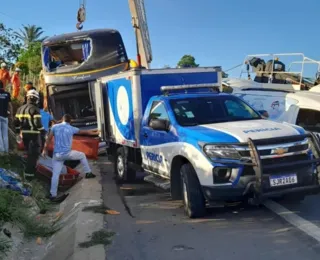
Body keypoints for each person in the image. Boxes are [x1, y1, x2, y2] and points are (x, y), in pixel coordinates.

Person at [42, 114, 98, 202]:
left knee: (55, 175)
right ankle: (88, 173)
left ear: (62, 120)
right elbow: (86, 132)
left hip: (57, 155)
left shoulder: (55, 127)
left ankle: (53, 195)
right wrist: (97, 131)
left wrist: (44, 150)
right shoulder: (71, 128)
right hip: (67, 154)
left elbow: (48, 139)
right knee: (82, 155)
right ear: (70, 121)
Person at [14, 89, 46, 180]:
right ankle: (30, 176)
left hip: (24, 135)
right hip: (34, 135)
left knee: (29, 152)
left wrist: (17, 133)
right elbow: (37, 123)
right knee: (33, 155)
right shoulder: (35, 109)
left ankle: (28, 172)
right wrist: (43, 131)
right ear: (36, 99)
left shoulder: (20, 109)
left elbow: (16, 122)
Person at [0, 81, 13, 153]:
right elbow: (10, 106)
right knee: (5, 135)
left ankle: (1, 152)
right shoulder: (7, 94)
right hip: (5, 117)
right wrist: (11, 115)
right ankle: (6, 150)